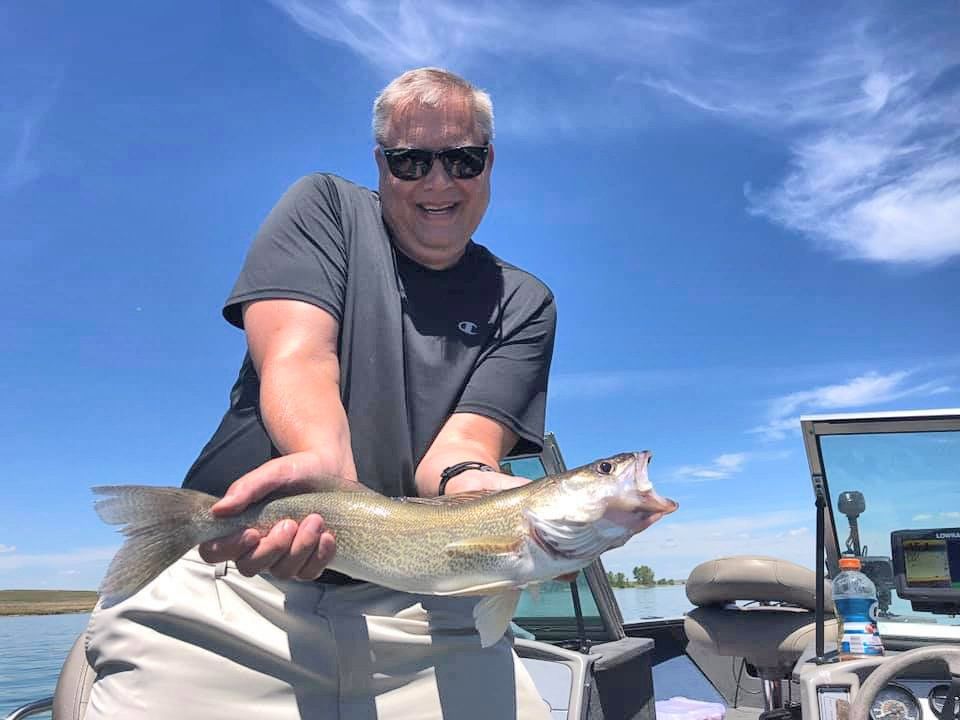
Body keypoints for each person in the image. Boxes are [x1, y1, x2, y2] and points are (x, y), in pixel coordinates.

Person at [83, 67, 557, 719]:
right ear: (381, 164)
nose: (438, 182)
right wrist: (324, 477)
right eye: (411, 161)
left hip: (424, 611)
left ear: (488, 161)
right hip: (238, 587)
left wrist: (480, 488)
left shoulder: (525, 302)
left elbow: (462, 450)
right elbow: (298, 356)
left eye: (462, 159)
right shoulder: (325, 207)